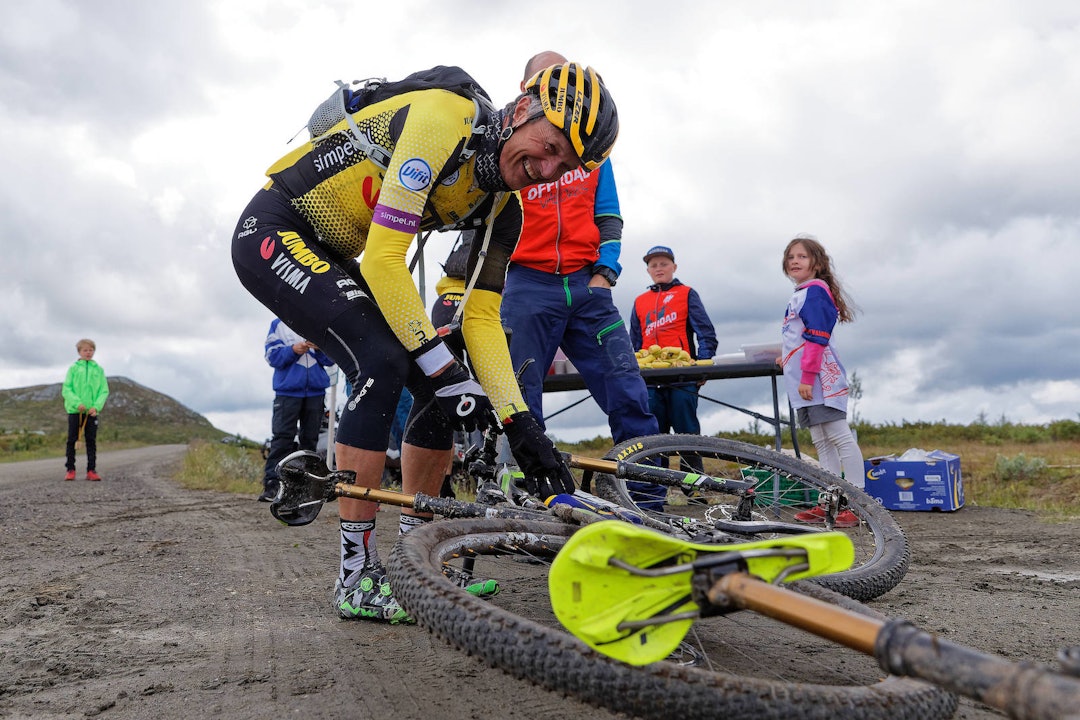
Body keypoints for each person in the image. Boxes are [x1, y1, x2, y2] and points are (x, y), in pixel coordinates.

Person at [231, 61, 618, 623]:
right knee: (384, 360)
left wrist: (521, 424)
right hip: (275, 228)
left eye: (566, 164)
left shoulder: (503, 206)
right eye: (550, 144)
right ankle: (355, 577)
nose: (549, 167)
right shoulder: (444, 118)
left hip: (337, 252)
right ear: (520, 112)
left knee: (448, 380)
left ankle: (414, 563)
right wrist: (442, 372)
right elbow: (386, 262)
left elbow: (482, 318)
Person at [499, 51, 662, 509]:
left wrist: (605, 274)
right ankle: (532, 505)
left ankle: (646, 502)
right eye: (542, 81)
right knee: (519, 401)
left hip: (587, 287)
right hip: (527, 286)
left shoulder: (591, 153)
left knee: (628, 389)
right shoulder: (509, 143)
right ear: (524, 87)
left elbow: (609, 217)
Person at [778, 235, 864, 527]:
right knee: (822, 441)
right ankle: (830, 502)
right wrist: (786, 357)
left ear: (816, 263)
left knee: (839, 436)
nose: (794, 261)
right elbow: (799, 337)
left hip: (818, 380)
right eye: (791, 257)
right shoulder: (800, 293)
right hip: (804, 379)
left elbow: (817, 336)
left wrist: (807, 374)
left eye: (801, 256)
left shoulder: (814, 291)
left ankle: (858, 503)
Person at [630, 245, 718, 473]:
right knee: (653, 435)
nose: (659, 268)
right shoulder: (640, 301)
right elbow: (634, 342)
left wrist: (702, 368)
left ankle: (694, 490)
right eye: (653, 265)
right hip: (649, 378)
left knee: (687, 432)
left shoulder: (687, 293)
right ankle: (658, 490)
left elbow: (706, 333)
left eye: (664, 264)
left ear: (674, 267)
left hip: (682, 376)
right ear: (648, 270)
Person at [260, 318, 336, 502]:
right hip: (287, 392)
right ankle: (273, 485)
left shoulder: (317, 322)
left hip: (316, 392)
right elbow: (271, 356)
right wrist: (293, 350)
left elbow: (332, 359)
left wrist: (318, 348)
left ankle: (305, 488)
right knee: (282, 439)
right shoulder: (278, 324)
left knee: (310, 441)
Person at [62, 338, 109, 481]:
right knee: (72, 440)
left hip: (91, 413)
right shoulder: (73, 368)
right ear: (79, 352)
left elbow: (104, 391)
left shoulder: (99, 370)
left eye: (90, 350)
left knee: (91, 441)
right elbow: (66, 389)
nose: (88, 353)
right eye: (85, 350)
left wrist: (96, 407)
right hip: (75, 411)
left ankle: (91, 470)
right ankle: (70, 469)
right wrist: (77, 403)